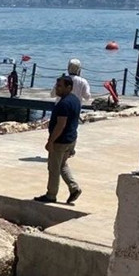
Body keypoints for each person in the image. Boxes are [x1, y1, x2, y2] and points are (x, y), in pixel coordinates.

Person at [35, 76, 82, 204]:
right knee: (62, 165)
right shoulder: (75, 100)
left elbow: (60, 124)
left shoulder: (64, 104)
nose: (57, 88)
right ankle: (74, 188)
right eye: (57, 85)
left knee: (53, 168)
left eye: (60, 86)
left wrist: (51, 141)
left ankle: (51, 195)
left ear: (69, 87)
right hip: (71, 139)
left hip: (60, 141)